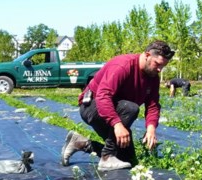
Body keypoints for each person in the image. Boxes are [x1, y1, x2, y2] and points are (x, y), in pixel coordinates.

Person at [61, 40, 174, 171]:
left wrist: (151, 129)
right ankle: (107, 157)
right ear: (147, 55)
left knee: (126, 159)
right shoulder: (123, 65)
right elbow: (103, 96)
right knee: (131, 108)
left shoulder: (153, 76)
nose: (160, 69)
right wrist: (117, 124)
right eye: (158, 64)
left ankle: (80, 143)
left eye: (163, 66)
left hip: (117, 110)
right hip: (93, 106)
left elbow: (153, 105)